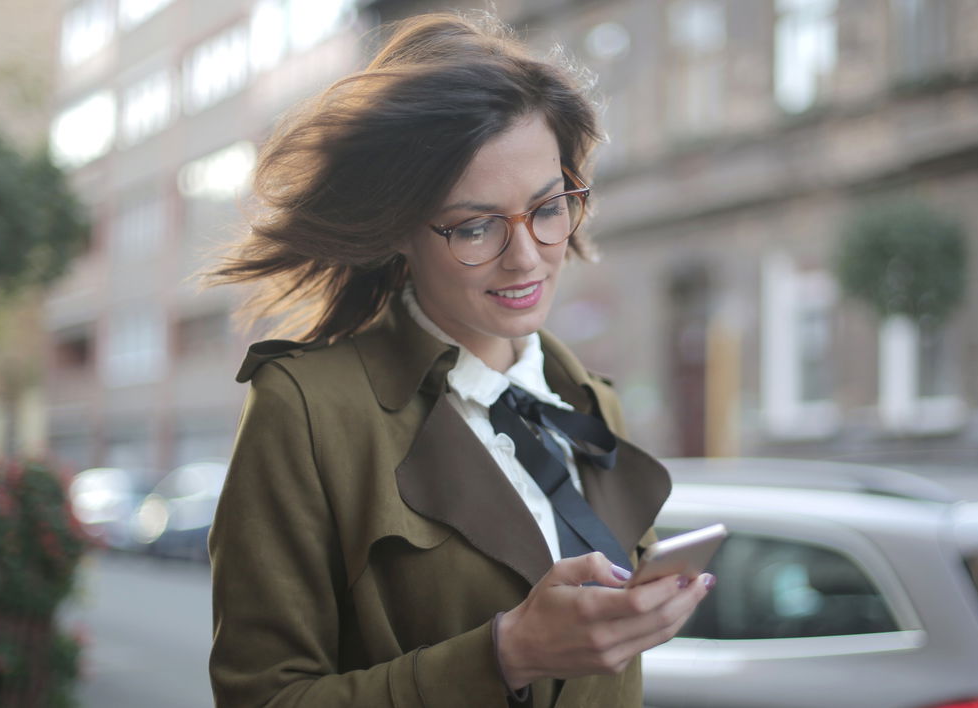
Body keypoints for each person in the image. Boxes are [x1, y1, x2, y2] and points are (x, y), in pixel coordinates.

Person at [206, 12, 714, 708]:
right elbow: (261, 698)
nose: (527, 255)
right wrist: (507, 654)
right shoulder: (306, 410)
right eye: (475, 225)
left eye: (548, 207)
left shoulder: (591, 403)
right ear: (400, 232)